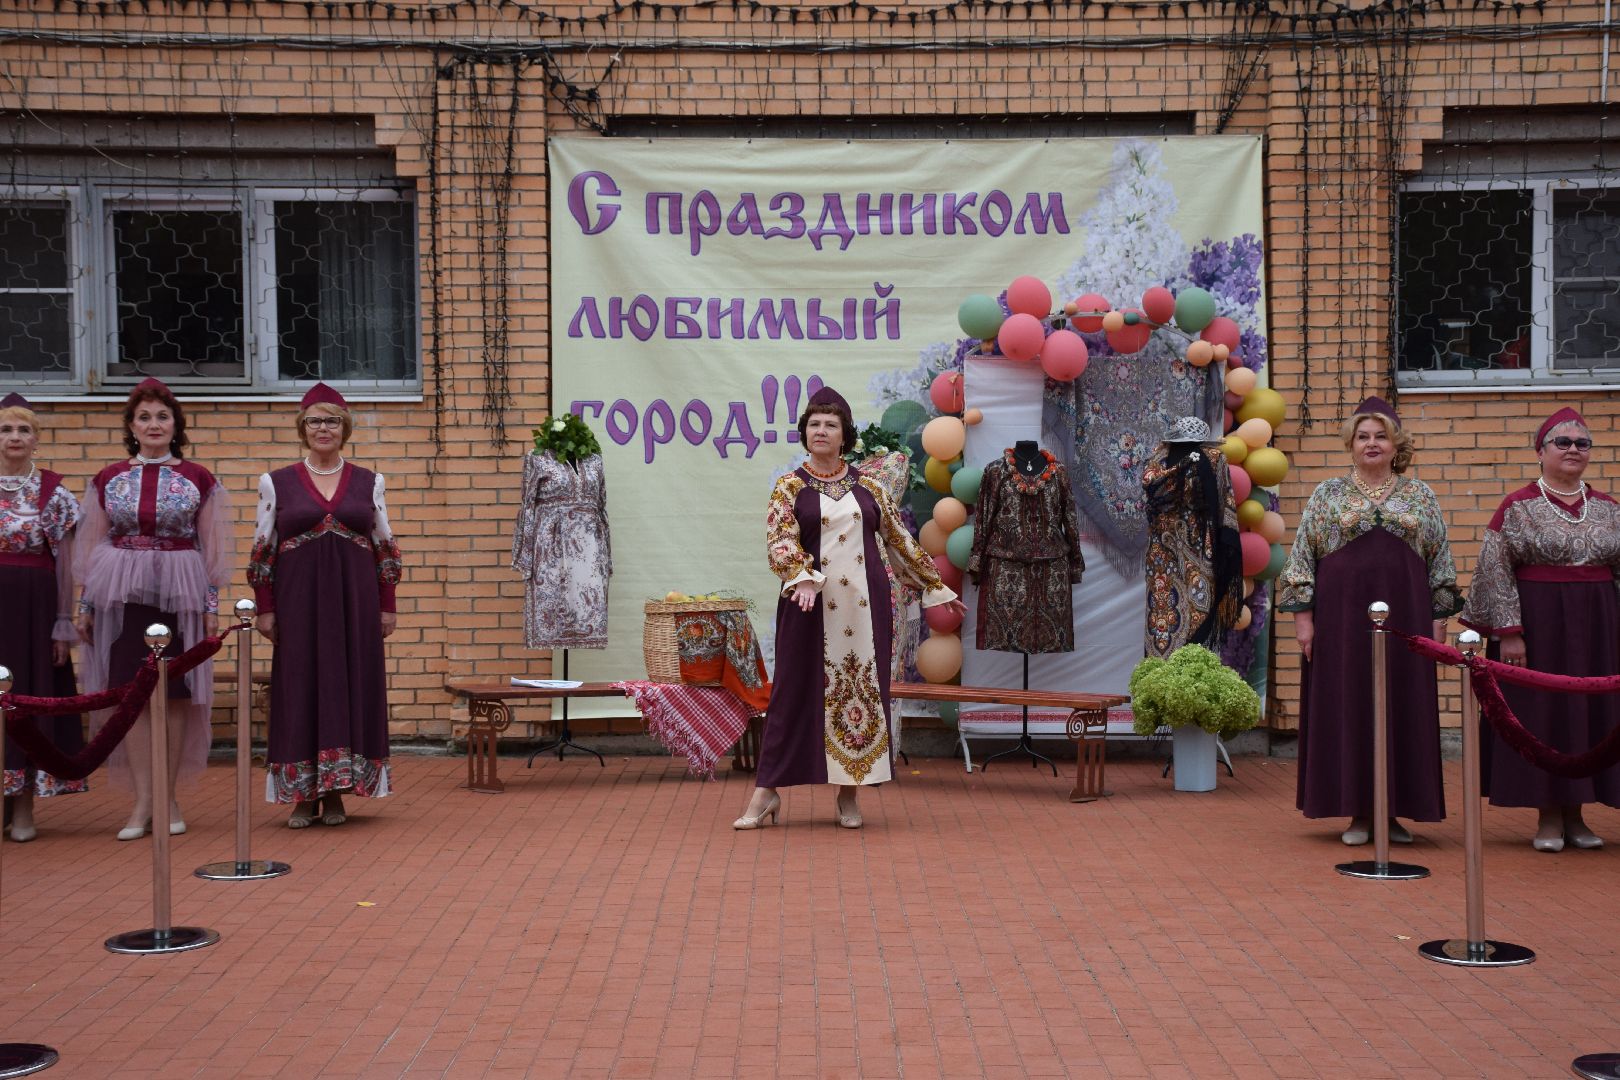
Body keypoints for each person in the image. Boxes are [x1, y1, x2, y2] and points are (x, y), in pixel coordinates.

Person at [734, 387, 964, 830]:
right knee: (790, 696)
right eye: (814, 424)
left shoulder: (869, 485)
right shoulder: (789, 486)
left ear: (844, 436)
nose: (821, 431)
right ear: (805, 433)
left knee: (859, 693)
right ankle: (767, 793)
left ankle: (848, 795)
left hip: (863, 607)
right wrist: (801, 576)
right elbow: (779, 540)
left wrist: (936, 587)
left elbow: (899, 539)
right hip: (808, 608)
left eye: (830, 425)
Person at [1279, 396, 1459, 845]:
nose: (1372, 443)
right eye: (1363, 436)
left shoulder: (1420, 495)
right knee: (1350, 701)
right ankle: (1358, 813)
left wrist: (1438, 622)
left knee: (1403, 703)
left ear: (1397, 443)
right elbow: (1302, 559)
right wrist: (1304, 621)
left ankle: (1395, 811)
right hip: (1341, 620)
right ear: (1351, 444)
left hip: (1409, 618)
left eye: (1381, 435)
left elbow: (1439, 561)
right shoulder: (1328, 494)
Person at [76, 378, 231, 841]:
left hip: (180, 593)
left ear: (175, 424)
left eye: (162, 416)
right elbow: (91, 543)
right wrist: (84, 605)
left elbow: (211, 547)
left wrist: (210, 607)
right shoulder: (108, 478)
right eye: (144, 417)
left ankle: (169, 799)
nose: (153, 424)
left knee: (175, 693)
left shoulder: (198, 478)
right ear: (131, 426)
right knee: (133, 696)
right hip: (121, 595)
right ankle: (144, 801)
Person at [1460, 407, 1620, 852]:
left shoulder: (1609, 508)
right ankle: (1549, 815)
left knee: (1590, 718)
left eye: (1581, 443)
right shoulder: (1518, 505)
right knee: (1545, 716)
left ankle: (1579, 813)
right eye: (1562, 442)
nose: (1573, 449)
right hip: (1539, 623)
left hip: (1598, 628)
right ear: (1541, 451)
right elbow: (1495, 569)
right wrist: (1509, 631)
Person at [249, 383, 400, 827]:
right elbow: (263, 547)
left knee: (350, 686)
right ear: (303, 426)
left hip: (355, 603)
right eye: (315, 420)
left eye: (332, 420)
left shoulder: (370, 482)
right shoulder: (275, 482)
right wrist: (265, 605)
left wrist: (386, 603)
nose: (323, 428)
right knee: (300, 688)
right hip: (299, 605)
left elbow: (384, 545)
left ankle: (336, 792)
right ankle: (302, 795)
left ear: (344, 427)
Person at [0, 392, 86, 841]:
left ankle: (23, 809)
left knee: (25, 700)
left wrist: (61, 621)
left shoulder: (53, 492)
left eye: (23, 429)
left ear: (36, 439)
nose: (15, 437)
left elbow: (67, 564)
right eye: (6, 429)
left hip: (32, 610)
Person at [1142, 416, 1244, 659]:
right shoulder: (1210, 459)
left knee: (1176, 622)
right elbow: (1225, 508)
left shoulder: (1157, 461)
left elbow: (1224, 503)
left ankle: (1175, 686)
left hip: (1176, 553)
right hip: (1186, 552)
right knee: (1164, 620)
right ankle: (1162, 689)